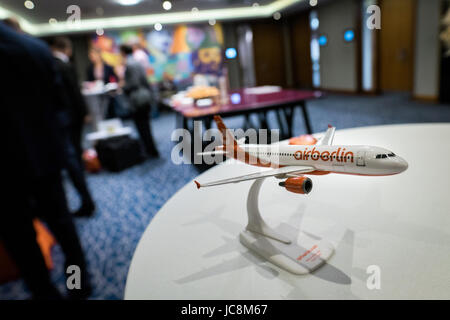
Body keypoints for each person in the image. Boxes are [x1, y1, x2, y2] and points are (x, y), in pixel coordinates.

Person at [0, 21, 91, 299]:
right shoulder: (36, 49)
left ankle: (45, 293)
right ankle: (79, 284)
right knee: (63, 225)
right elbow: (59, 104)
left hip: (5, 169)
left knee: (20, 239)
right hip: (45, 156)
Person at [50, 36, 95, 217]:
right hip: (71, 118)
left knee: (73, 156)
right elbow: (75, 94)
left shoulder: (58, 65)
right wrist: (84, 112)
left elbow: (73, 93)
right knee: (74, 155)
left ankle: (85, 198)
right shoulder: (63, 65)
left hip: (66, 121)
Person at [120, 44, 159, 158]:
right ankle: (151, 149)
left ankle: (149, 150)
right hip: (144, 97)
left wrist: (123, 87)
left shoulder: (129, 64)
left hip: (137, 99)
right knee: (145, 126)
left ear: (123, 52)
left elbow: (133, 83)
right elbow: (145, 80)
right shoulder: (137, 62)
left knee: (142, 126)